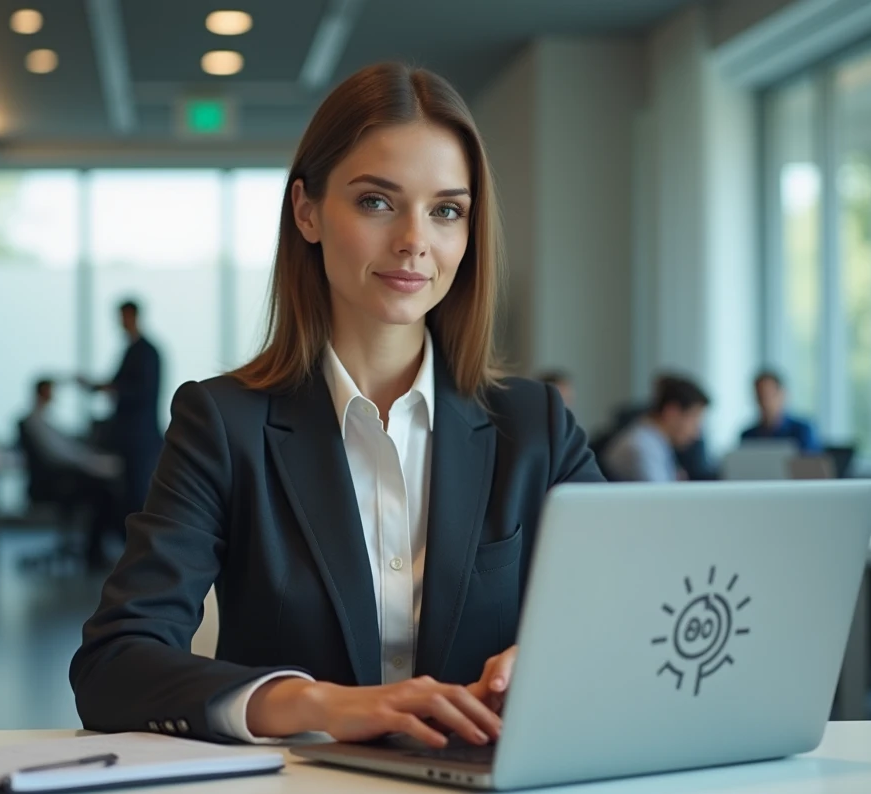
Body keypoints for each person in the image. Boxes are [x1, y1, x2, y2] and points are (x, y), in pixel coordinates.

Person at [70, 62, 604, 749]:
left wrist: (549, 663)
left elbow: (626, 617)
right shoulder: (223, 424)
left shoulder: (535, 427)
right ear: (308, 211)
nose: (415, 239)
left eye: (446, 210)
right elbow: (114, 666)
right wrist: (319, 705)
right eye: (377, 201)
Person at [20, 379, 121, 569]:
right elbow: (60, 454)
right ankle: (94, 554)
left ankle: (96, 551)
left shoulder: (42, 420)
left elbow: (67, 450)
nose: (54, 396)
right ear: (42, 393)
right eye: (51, 391)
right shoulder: (36, 422)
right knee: (106, 493)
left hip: (59, 478)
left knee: (106, 487)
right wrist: (93, 462)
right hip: (57, 484)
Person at [78, 300, 165, 519]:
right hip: (131, 435)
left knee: (137, 495)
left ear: (133, 316)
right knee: (126, 494)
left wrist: (108, 388)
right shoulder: (134, 350)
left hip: (138, 436)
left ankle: (137, 548)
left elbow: (138, 391)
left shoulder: (145, 352)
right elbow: (120, 385)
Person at [602, 376, 710, 482]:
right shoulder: (642, 447)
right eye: (694, 420)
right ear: (672, 413)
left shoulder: (655, 442)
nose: (697, 433)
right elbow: (662, 498)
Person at [741, 370, 820, 453]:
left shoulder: (802, 431)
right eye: (760, 396)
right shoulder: (748, 436)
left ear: (781, 395)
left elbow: (811, 463)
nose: (765, 401)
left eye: (768, 395)